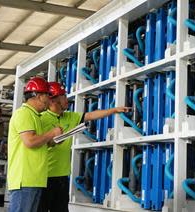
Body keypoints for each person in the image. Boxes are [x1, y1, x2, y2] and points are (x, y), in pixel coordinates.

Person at [38, 82, 130, 212]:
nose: (67, 100)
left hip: (62, 177)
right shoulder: (41, 119)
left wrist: (114, 110)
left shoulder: (70, 116)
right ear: (53, 100)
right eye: (63, 96)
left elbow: (91, 115)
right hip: (44, 177)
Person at [7, 77, 63, 212]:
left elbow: (38, 142)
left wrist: (52, 142)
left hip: (34, 179)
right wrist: (52, 133)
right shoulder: (24, 113)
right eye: (47, 96)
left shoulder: (35, 116)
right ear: (38, 96)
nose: (49, 101)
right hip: (25, 180)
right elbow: (30, 141)